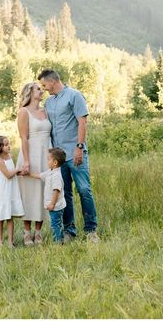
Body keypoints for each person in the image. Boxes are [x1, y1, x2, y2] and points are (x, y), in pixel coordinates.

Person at [38, 69, 99, 243]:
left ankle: (91, 230)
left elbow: (82, 122)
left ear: (52, 81)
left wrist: (79, 147)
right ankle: (69, 230)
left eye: (45, 85)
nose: (44, 88)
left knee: (84, 190)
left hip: (75, 152)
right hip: (58, 157)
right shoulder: (49, 103)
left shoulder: (74, 96)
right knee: (64, 193)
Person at [16, 81, 52, 246]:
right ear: (30, 92)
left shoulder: (45, 111)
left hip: (46, 155)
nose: (42, 90)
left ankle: (38, 232)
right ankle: (26, 233)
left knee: (43, 193)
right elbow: (24, 137)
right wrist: (27, 161)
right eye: (38, 88)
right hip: (30, 155)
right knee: (29, 193)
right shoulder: (24, 112)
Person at [0, 135, 24, 247]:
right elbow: (9, 175)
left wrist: (20, 172)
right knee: (0, 216)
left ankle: (11, 241)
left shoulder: (10, 156)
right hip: (3, 189)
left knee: (9, 216)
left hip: (11, 189)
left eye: (9, 143)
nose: (8, 146)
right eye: (5, 144)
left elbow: (13, 172)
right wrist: (17, 170)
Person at [28, 147, 67, 243]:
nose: (47, 161)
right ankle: (60, 239)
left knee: (55, 225)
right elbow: (39, 175)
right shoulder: (50, 172)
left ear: (55, 163)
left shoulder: (56, 176)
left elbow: (56, 191)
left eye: (48, 159)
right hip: (54, 206)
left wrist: (52, 204)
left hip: (56, 207)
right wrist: (27, 174)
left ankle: (58, 242)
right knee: (57, 223)